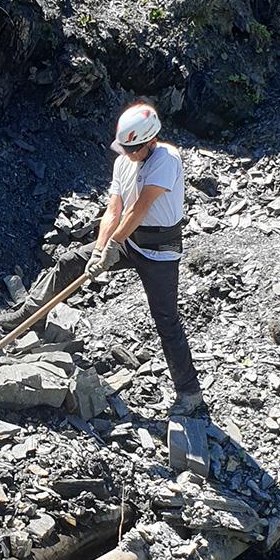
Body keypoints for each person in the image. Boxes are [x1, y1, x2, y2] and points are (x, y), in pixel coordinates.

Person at [86, 101, 208, 417]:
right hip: (129, 239)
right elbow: (114, 210)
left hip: (160, 250)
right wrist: (99, 251)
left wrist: (113, 245)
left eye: (133, 149)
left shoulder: (167, 160)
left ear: (150, 141)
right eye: (124, 149)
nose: (127, 155)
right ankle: (26, 315)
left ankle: (190, 394)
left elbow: (138, 208)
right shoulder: (124, 161)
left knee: (166, 320)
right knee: (72, 260)